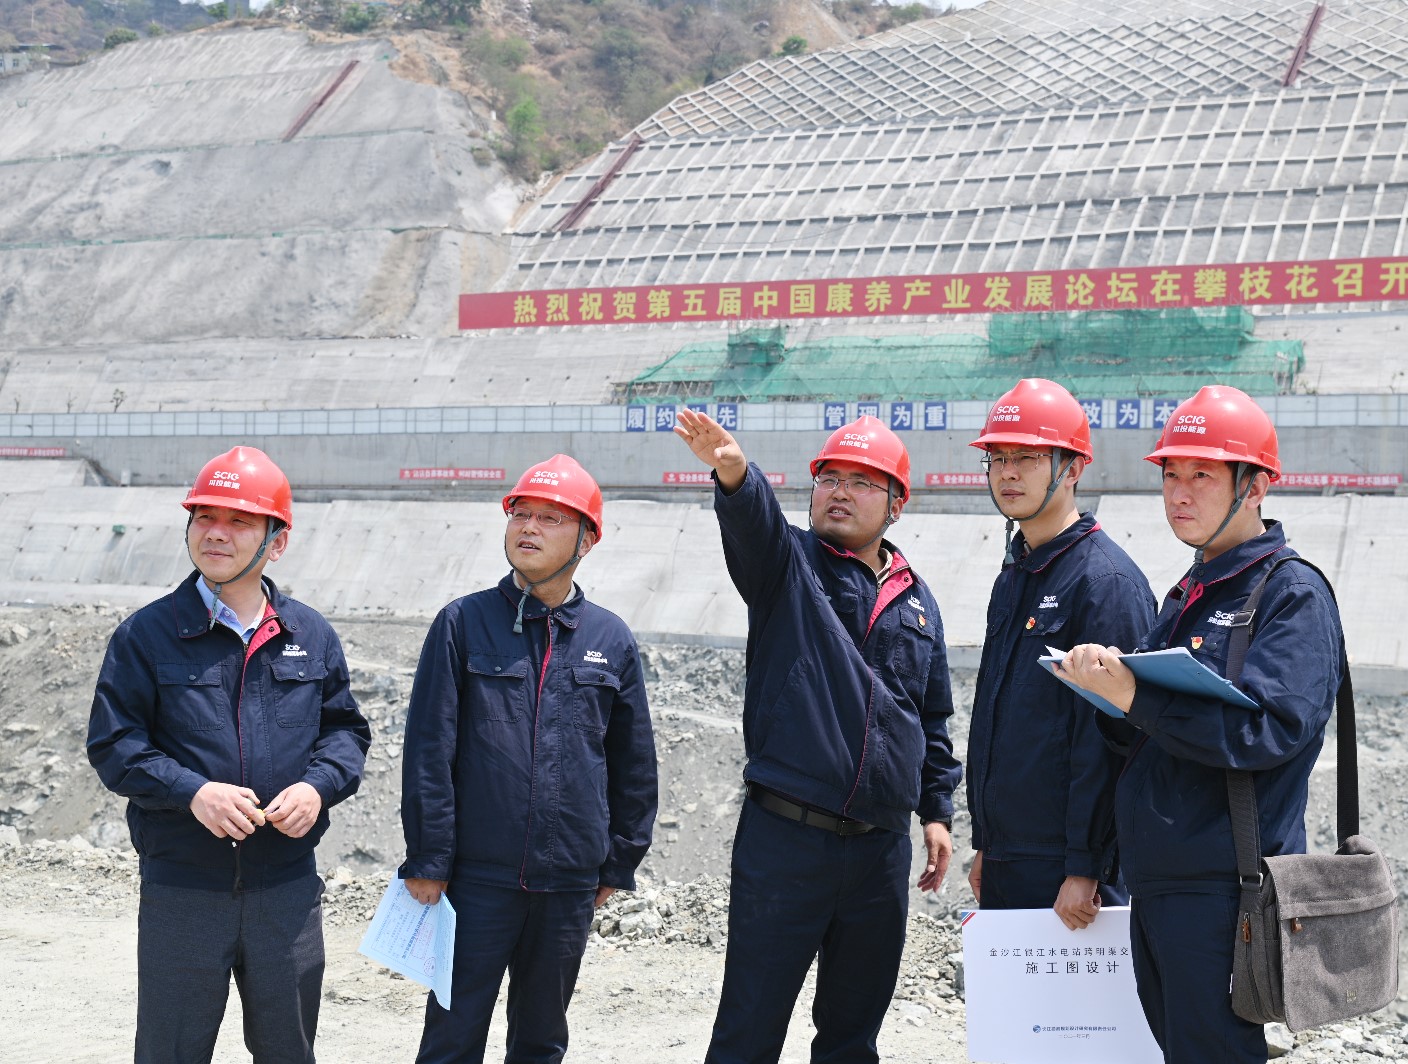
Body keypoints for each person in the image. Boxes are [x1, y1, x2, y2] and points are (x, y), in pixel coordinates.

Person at [1054, 385, 1345, 1063]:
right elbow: (1154, 733)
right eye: (1171, 475)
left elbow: (1269, 731)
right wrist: (1109, 697)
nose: (1179, 494)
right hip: (1163, 883)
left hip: (1226, 892)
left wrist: (1137, 697)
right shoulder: (1191, 590)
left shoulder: (1290, 594)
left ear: (1257, 486)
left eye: (1203, 476)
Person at [674, 409, 962, 1064]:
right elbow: (754, 526)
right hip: (786, 839)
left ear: (896, 503)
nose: (839, 492)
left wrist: (936, 812)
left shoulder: (919, 602)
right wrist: (736, 474)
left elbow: (931, 715)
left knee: (852, 1037)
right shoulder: (788, 565)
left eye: (861, 482)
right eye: (829, 478)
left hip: (879, 851)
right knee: (749, 1029)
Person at [86, 445, 370, 1064]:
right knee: (170, 1051)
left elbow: (345, 733)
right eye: (204, 517)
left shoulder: (310, 635)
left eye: (240, 521)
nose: (216, 532)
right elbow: (114, 743)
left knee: (288, 1051)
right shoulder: (146, 635)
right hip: (183, 892)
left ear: (277, 540)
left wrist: (317, 787)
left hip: (286, 891)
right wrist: (193, 792)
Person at [400, 454, 657, 1064]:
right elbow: (430, 750)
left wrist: (618, 860)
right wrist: (429, 858)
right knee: (451, 1038)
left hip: (568, 883)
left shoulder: (610, 638)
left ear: (587, 540)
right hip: (475, 879)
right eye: (521, 514)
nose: (529, 528)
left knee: (541, 1041)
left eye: (550, 518)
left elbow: (633, 762)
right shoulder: (463, 623)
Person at [963, 379, 1154, 927]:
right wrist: (988, 842)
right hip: (1011, 854)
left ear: (1073, 468)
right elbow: (999, 716)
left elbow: (1110, 738)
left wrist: (1087, 866)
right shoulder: (1016, 573)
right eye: (998, 458)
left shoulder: (1104, 583)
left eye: (1026, 458)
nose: (1008, 473)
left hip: (1068, 872)